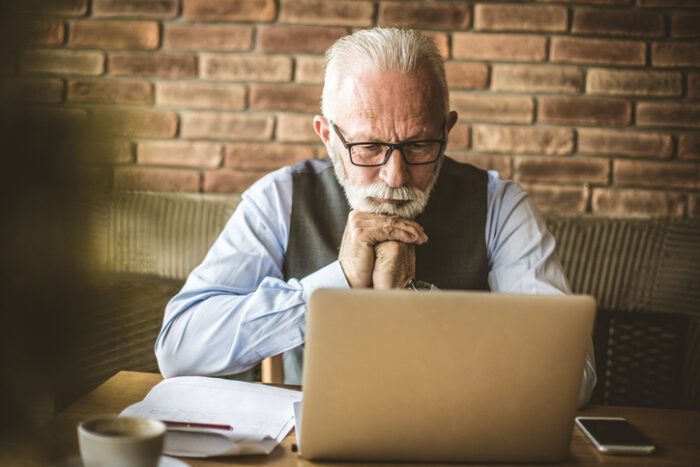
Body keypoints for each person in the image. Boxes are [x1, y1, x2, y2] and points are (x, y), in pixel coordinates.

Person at [155, 27, 597, 407]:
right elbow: (179, 349)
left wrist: (416, 301)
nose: (395, 175)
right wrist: (336, 282)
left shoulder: (501, 205)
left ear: (447, 128)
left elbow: (571, 375)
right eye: (368, 148)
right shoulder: (279, 198)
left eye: (420, 145)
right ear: (327, 135)